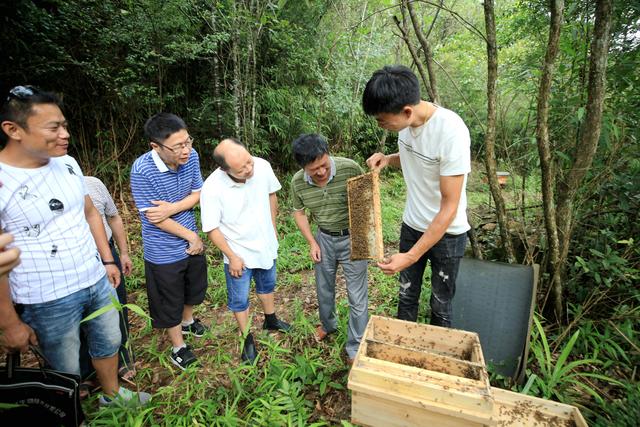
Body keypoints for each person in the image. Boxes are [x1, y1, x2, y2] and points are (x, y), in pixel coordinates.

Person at [0, 85, 150, 406]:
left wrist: (108, 261)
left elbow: (90, 212)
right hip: (46, 298)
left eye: (64, 125)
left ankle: (112, 394)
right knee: (65, 364)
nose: (64, 134)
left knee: (110, 339)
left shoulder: (67, 164)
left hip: (94, 278)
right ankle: (71, 411)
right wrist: (10, 322)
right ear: (13, 130)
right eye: (53, 128)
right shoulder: (3, 181)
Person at [362, 65, 470, 327]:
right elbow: (417, 157)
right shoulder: (406, 126)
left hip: (448, 234)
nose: (381, 125)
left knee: (440, 303)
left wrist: (410, 256)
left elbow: (449, 207)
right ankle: (402, 357)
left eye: (382, 120)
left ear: (407, 111)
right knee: (406, 295)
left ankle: (436, 363)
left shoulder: (451, 132)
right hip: (412, 225)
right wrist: (388, 159)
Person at [200, 138, 291, 364]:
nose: (250, 169)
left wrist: (271, 226)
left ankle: (271, 319)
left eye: (249, 161)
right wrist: (231, 256)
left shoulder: (262, 166)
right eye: (242, 169)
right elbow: (211, 228)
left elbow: (271, 194)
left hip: (265, 244)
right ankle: (246, 337)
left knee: (267, 285)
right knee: (239, 298)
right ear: (224, 169)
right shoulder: (212, 188)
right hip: (238, 252)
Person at [130, 112, 208, 371]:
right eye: (178, 146)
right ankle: (178, 347)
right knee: (169, 297)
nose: (186, 150)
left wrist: (171, 208)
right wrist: (191, 236)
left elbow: (197, 194)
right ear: (156, 146)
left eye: (188, 142)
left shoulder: (192, 157)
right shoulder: (142, 170)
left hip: (191, 238)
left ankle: (188, 322)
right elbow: (155, 218)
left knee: (192, 287)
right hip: (163, 248)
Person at [289, 134, 368, 364]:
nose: (321, 172)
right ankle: (327, 325)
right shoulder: (297, 182)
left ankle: (355, 346)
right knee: (324, 289)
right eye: (314, 169)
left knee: (357, 295)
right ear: (304, 167)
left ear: (328, 154)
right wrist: (312, 242)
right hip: (323, 238)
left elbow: (365, 201)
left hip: (353, 236)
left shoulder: (350, 168)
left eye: (324, 165)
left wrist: (365, 239)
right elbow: (299, 212)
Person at [79, 176, 135, 385]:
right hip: (75, 259)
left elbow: (113, 217)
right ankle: (85, 372)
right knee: (80, 316)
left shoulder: (93, 183)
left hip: (107, 256)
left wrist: (124, 253)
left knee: (117, 308)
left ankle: (123, 357)